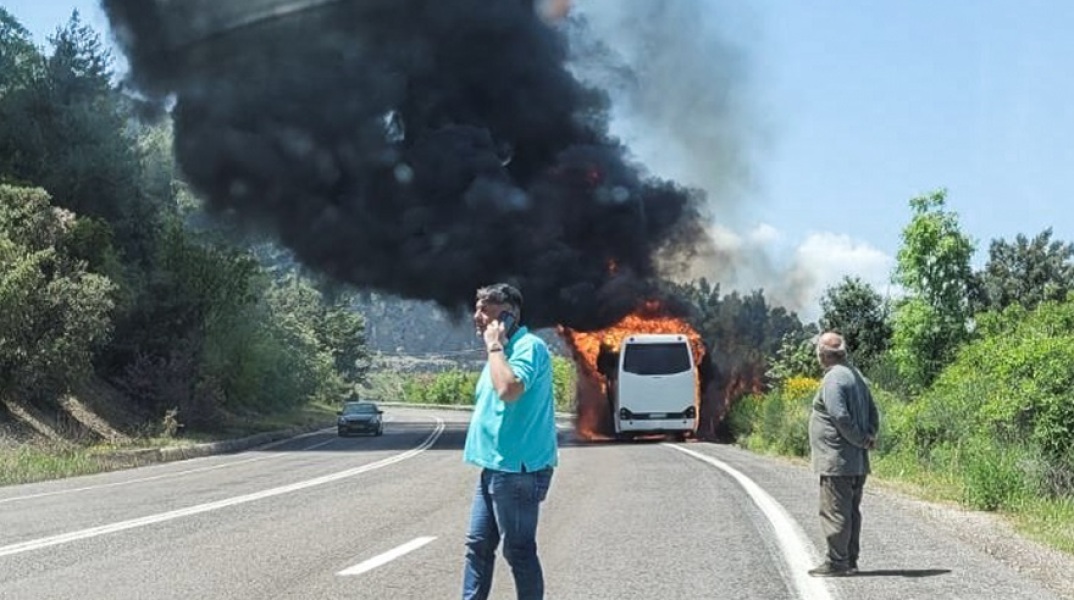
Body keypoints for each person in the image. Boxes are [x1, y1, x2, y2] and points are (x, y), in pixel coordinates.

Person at [462, 283, 558, 600]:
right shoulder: (503, 352)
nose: (477, 316)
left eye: (485, 309)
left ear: (509, 315)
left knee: (518, 550)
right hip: (494, 466)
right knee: (478, 546)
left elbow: (509, 390)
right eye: (477, 308)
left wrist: (495, 347)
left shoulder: (529, 347)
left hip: (518, 470)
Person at [807, 331, 880, 577]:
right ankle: (849, 560)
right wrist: (868, 436)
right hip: (856, 460)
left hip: (837, 460)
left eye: (818, 352)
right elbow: (873, 411)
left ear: (824, 354)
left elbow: (839, 416)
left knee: (835, 510)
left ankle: (838, 562)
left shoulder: (833, 379)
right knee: (850, 512)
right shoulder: (855, 375)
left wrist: (861, 439)